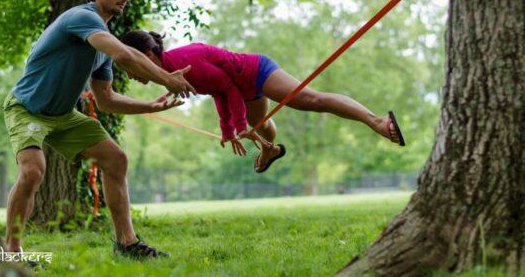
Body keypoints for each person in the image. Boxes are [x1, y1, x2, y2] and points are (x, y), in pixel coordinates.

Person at [3, 0, 196, 260]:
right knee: (32, 171)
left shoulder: (100, 45)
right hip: (28, 108)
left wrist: (150, 105)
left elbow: (105, 99)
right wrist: (167, 78)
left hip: (64, 115)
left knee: (115, 159)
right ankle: (11, 252)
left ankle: (127, 244)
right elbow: (123, 53)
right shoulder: (81, 17)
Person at [120, 30, 404, 173]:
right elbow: (217, 92)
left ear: (147, 54)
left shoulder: (184, 63)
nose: (130, 74)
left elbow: (226, 87)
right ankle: (271, 150)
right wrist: (228, 131)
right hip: (242, 89)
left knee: (309, 100)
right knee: (261, 127)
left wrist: (238, 124)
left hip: (256, 72)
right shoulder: (168, 73)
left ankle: (377, 121)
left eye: (129, 64)